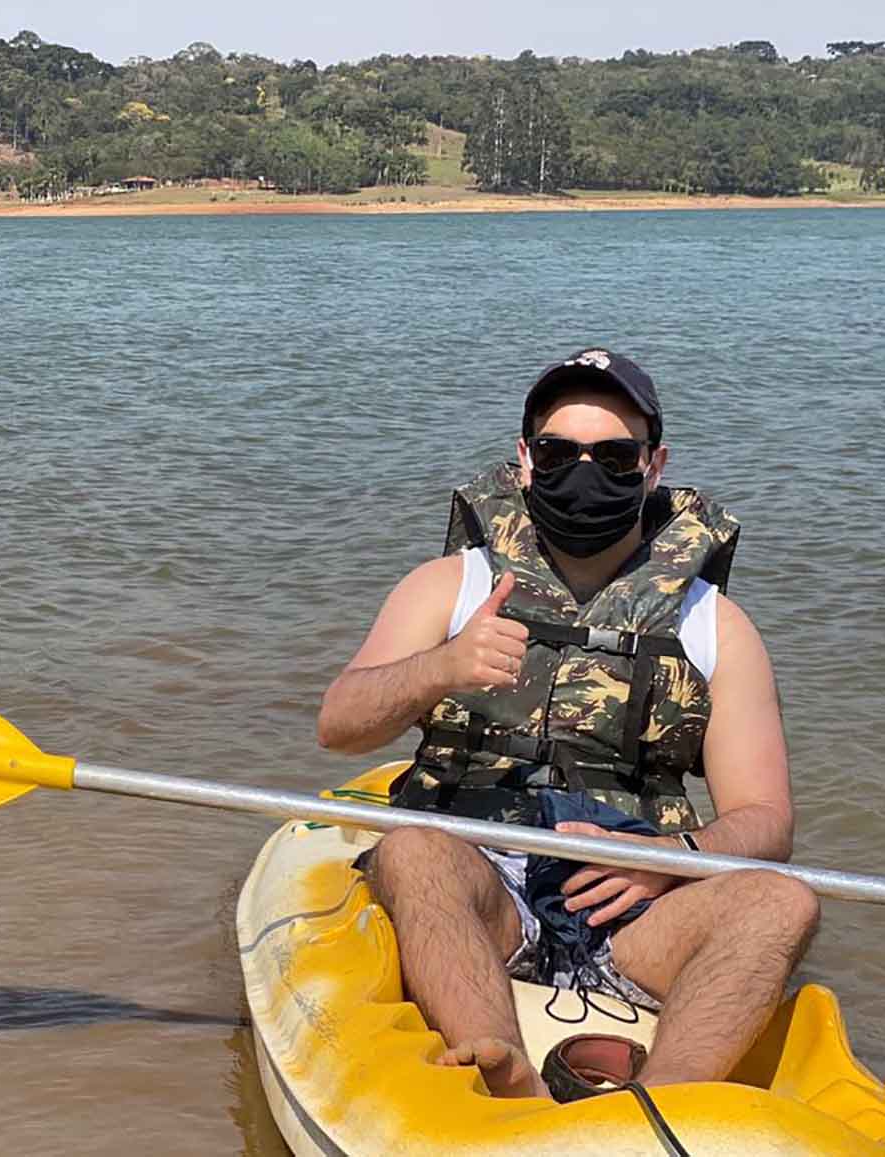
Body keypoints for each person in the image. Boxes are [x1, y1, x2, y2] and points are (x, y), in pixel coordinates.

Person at [315, 349, 816, 1101]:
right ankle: (502, 1070)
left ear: (653, 465)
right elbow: (338, 725)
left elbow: (767, 818)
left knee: (785, 901)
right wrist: (441, 667)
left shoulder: (716, 625)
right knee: (413, 850)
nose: (585, 475)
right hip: (482, 886)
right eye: (557, 454)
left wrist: (672, 857)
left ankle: (666, 1104)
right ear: (525, 461)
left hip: (635, 906)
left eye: (614, 457)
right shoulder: (452, 585)